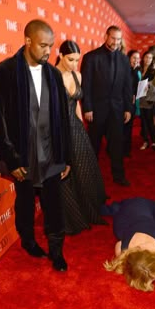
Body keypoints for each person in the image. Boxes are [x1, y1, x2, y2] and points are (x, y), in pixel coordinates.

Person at [0, 19, 71, 272]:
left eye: (51, 46)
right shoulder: (5, 72)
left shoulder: (54, 75)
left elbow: (64, 120)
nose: (48, 51)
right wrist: (11, 160)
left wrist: (66, 157)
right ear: (27, 41)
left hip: (52, 155)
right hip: (22, 157)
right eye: (43, 45)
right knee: (24, 204)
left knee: (54, 207)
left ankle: (57, 250)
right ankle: (28, 241)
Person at [55, 40, 107, 234]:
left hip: (75, 128)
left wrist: (82, 126)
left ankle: (89, 209)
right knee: (66, 174)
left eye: (77, 60)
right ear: (60, 55)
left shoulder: (77, 75)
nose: (74, 64)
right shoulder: (52, 77)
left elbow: (76, 104)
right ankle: (74, 216)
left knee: (84, 169)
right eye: (70, 60)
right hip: (59, 130)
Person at [81, 25, 133, 187]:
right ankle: (91, 178)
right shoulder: (91, 57)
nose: (116, 42)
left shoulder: (124, 59)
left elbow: (127, 86)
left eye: (118, 39)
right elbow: (86, 85)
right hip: (96, 111)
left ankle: (119, 176)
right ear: (106, 36)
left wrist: (128, 109)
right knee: (94, 146)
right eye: (113, 38)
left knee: (117, 145)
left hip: (117, 111)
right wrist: (87, 107)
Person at [139, 51, 155, 151]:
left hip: (149, 99)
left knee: (150, 121)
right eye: (146, 57)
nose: (148, 60)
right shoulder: (139, 69)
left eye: (150, 58)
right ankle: (145, 141)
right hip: (139, 98)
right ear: (143, 58)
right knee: (143, 121)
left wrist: (149, 84)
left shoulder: (153, 71)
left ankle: (154, 141)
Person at [123, 49, 141, 157]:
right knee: (122, 127)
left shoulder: (137, 71)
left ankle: (126, 149)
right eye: (134, 57)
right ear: (129, 58)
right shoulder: (124, 70)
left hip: (133, 103)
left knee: (129, 127)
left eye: (138, 58)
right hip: (124, 103)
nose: (136, 60)